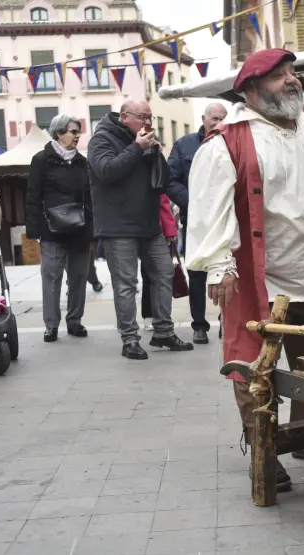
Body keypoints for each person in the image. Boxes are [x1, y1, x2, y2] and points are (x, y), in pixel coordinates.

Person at [187, 49, 304, 492]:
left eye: (292, 73)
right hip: (259, 276)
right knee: (254, 367)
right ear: (250, 90)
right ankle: (263, 446)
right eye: (279, 77)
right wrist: (220, 265)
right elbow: (209, 209)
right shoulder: (228, 141)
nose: (292, 81)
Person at [88, 100, 193, 360]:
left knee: (165, 272)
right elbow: (107, 171)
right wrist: (137, 148)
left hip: (148, 223)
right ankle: (130, 339)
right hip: (117, 225)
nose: (148, 122)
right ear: (125, 117)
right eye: (142, 117)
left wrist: (155, 153)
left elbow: (163, 181)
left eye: (150, 117)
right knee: (126, 284)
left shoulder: (144, 141)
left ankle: (163, 331)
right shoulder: (101, 139)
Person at [26, 114, 92, 343]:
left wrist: (91, 229)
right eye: (73, 132)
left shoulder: (83, 163)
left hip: (79, 229)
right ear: (58, 133)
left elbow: (90, 198)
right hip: (51, 230)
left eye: (78, 132)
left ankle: (74, 321)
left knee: (78, 277)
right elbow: (33, 196)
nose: (77, 136)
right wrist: (34, 230)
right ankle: (51, 325)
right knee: (51, 278)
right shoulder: (41, 159)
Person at [166, 102, 227, 344]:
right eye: (214, 117)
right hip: (195, 221)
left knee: (226, 271)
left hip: (225, 218)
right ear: (203, 118)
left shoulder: (233, 141)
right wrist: (194, 202)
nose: (218, 121)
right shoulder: (184, 145)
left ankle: (227, 321)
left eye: (223, 117)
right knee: (197, 273)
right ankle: (199, 325)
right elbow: (170, 181)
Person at [140, 194, 178, 331]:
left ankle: (159, 319)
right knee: (137, 278)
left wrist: (169, 230)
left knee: (159, 273)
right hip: (128, 226)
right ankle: (149, 316)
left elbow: (162, 199)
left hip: (154, 229)